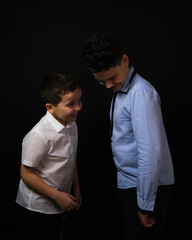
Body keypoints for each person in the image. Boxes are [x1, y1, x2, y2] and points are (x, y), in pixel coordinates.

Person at [81, 32, 174, 240]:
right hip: (131, 184)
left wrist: (145, 205)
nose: (107, 86)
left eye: (111, 78)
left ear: (125, 60)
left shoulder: (141, 94)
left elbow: (150, 153)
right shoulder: (122, 88)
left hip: (146, 189)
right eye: (100, 81)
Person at [15, 72, 82, 240]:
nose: (78, 107)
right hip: (37, 207)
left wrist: (77, 188)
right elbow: (26, 174)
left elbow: (71, 158)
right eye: (71, 104)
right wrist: (57, 196)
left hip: (62, 202)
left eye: (79, 101)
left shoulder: (72, 124)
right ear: (50, 108)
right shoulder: (39, 135)